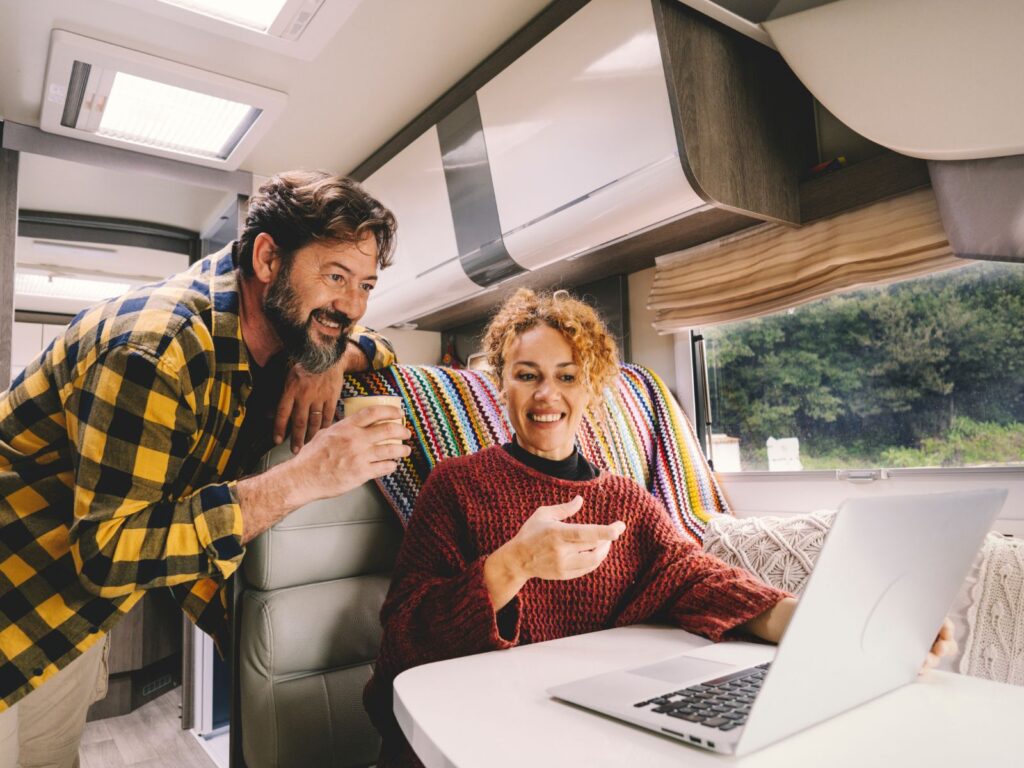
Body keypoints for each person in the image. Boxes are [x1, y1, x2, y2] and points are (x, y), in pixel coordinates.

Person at [363, 288, 957, 767]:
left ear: (593, 389)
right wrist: (512, 565)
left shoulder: (624, 499)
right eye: (526, 374)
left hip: (590, 733)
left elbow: (702, 581)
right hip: (484, 733)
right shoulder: (455, 486)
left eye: (567, 376)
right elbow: (401, 642)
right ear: (502, 384)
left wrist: (846, 628)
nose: (546, 394)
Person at [0, 170, 413, 768]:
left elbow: (379, 343)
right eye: (335, 276)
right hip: (17, 595)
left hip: (70, 616)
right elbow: (109, 552)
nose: (352, 304)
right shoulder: (156, 350)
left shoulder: (271, 336)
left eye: (366, 284)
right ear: (269, 259)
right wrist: (305, 477)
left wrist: (331, 356)